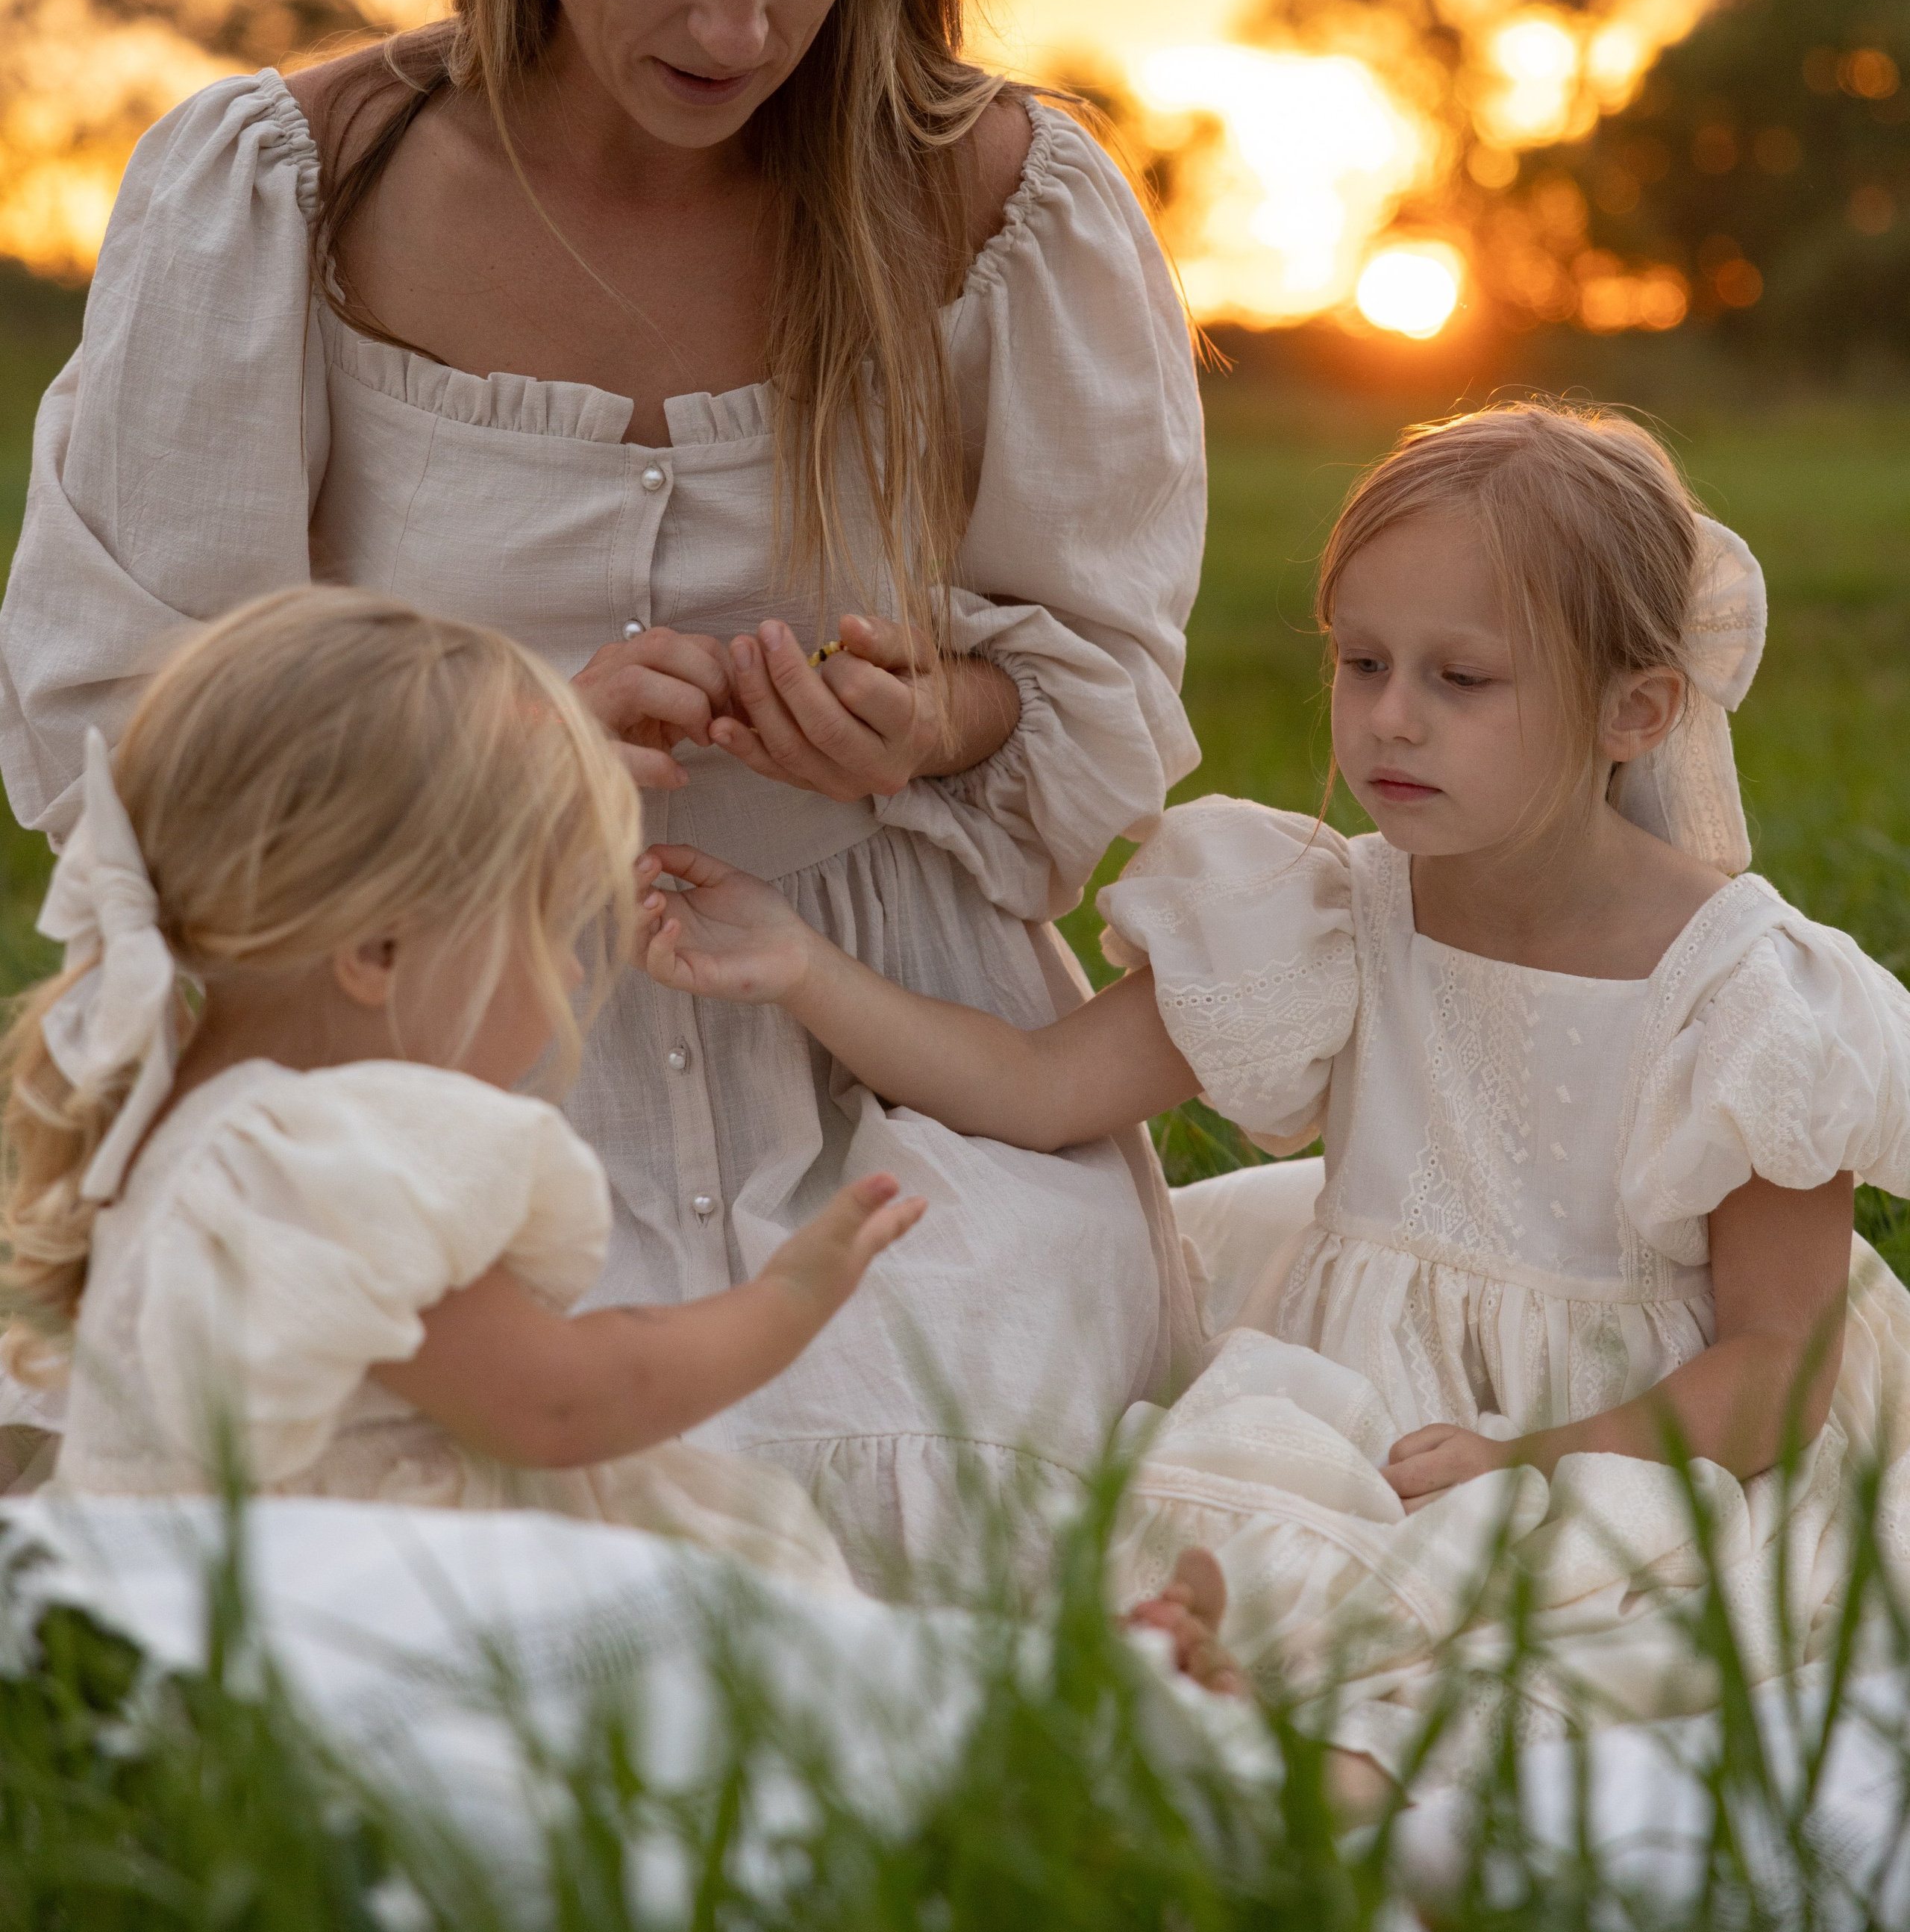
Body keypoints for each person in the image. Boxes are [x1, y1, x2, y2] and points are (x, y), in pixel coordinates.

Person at [0, 0, 1206, 1574]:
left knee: (936, 1410)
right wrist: (496, 754)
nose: (740, 17)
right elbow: (124, 735)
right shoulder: (294, 188)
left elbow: (1091, 688)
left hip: (884, 1051)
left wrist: (927, 715)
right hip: (426, 1032)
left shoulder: (1004, 204)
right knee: (426, 1478)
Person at [633, 399, 1910, 1770]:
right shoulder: (1328, 912)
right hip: (1349, 1390)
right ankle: (1184, 1723)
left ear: (1635, 708)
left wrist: (1539, 1453)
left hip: (1636, 1426)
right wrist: (802, 965)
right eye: (1363, 662)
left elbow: (1780, 1361)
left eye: (1460, 679)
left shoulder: (1749, 997)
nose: (1388, 719)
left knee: (1529, 1618)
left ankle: (1331, 1783)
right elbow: (1036, 1084)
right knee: (1229, 1526)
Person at [0, 584, 924, 1595]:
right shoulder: (333, 1155)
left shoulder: (180, 1128)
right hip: (363, 1632)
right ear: (377, 949)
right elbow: (560, 1402)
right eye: (542, 918)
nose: (572, 974)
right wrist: (786, 1298)